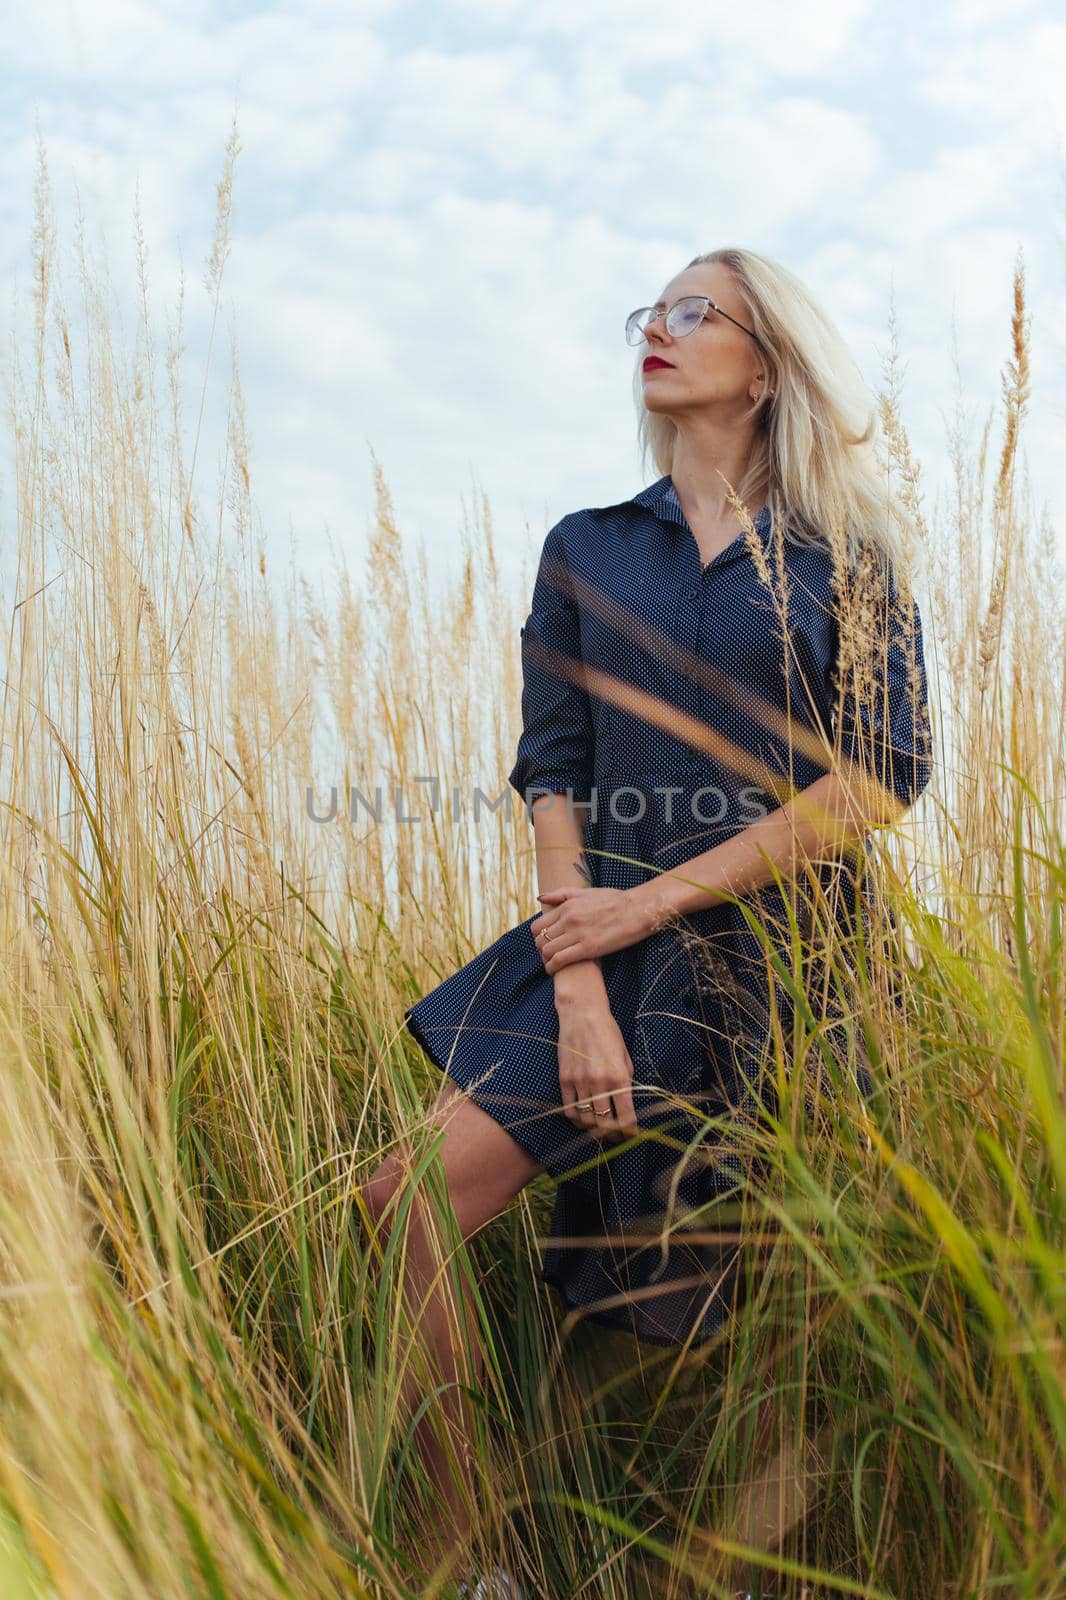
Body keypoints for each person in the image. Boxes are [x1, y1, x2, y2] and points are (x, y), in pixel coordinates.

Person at [362, 247, 934, 1591]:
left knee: (768, 1296)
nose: (657, 334)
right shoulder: (588, 547)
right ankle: (476, 1563)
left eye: (693, 314)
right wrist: (575, 981)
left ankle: (742, 1565)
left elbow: (878, 777)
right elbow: (552, 764)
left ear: (766, 361)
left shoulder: (840, 560)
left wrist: (656, 905)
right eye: (648, 315)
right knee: (408, 1201)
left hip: (786, 957)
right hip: (593, 943)